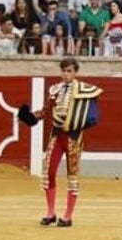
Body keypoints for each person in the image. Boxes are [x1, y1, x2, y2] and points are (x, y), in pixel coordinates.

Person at [18, 57, 103, 227]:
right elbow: (45, 112)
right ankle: (51, 212)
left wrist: (82, 122)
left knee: (72, 175)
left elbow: (92, 116)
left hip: (73, 136)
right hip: (57, 134)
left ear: (75, 72)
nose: (66, 74)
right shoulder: (55, 90)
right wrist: (30, 117)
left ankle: (68, 216)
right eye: (63, 71)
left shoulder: (85, 90)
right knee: (48, 173)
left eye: (69, 71)